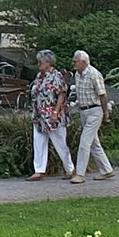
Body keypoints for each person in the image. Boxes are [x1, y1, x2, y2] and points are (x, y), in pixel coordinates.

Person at [27, 49, 75, 181]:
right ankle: (39, 170)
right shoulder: (39, 76)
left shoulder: (56, 75)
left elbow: (61, 94)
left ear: (48, 62)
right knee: (38, 142)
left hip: (53, 115)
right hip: (39, 116)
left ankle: (70, 168)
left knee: (59, 142)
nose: (39, 64)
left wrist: (56, 112)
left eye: (40, 62)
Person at [68, 50, 115, 183]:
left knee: (84, 142)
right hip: (84, 111)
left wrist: (105, 113)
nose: (74, 63)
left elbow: (102, 95)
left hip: (95, 111)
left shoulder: (94, 74)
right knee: (94, 143)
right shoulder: (78, 75)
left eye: (75, 61)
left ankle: (80, 174)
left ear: (83, 62)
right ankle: (107, 170)